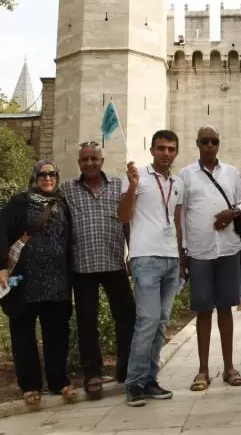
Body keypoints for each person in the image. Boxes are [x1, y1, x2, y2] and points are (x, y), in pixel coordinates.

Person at [0, 160, 78, 407]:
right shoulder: (20, 202)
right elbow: (1, 232)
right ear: (35, 177)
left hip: (57, 281)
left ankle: (59, 381)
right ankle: (29, 386)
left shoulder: (62, 204)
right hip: (25, 282)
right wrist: (0, 266)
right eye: (42, 174)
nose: (47, 178)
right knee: (23, 336)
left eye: (52, 174)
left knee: (57, 335)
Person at [61, 142, 135, 400]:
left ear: (102, 161)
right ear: (79, 163)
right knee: (86, 323)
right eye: (85, 159)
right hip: (82, 266)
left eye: (94, 158)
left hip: (114, 262)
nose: (90, 163)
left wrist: (131, 255)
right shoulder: (67, 189)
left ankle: (125, 369)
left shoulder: (117, 185)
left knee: (126, 317)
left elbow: (127, 219)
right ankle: (92, 374)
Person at [177, 126, 241, 391]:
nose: (209, 145)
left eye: (213, 141)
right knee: (203, 310)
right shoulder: (186, 175)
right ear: (197, 144)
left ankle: (229, 367)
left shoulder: (231, 173)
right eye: (204, 141)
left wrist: (232, 213)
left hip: (228, 249)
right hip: (200, 251)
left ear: (219, 144)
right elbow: (181, 214)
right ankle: (203, 370)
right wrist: (182, 251)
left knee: (226, 308)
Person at [119, 131, 182, 407]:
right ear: (152, 149)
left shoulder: (177, 183)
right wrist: (132, 187)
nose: (165, 153)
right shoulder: (137, 176)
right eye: (161, 148)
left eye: (170, 149)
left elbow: (177, 220)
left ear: (176, 152)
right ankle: (134, 383)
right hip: (145, 257)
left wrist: (181, 258)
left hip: (171, 258)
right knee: (146, 321)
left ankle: (150, 379)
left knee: (160, 324)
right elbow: (123, 215)